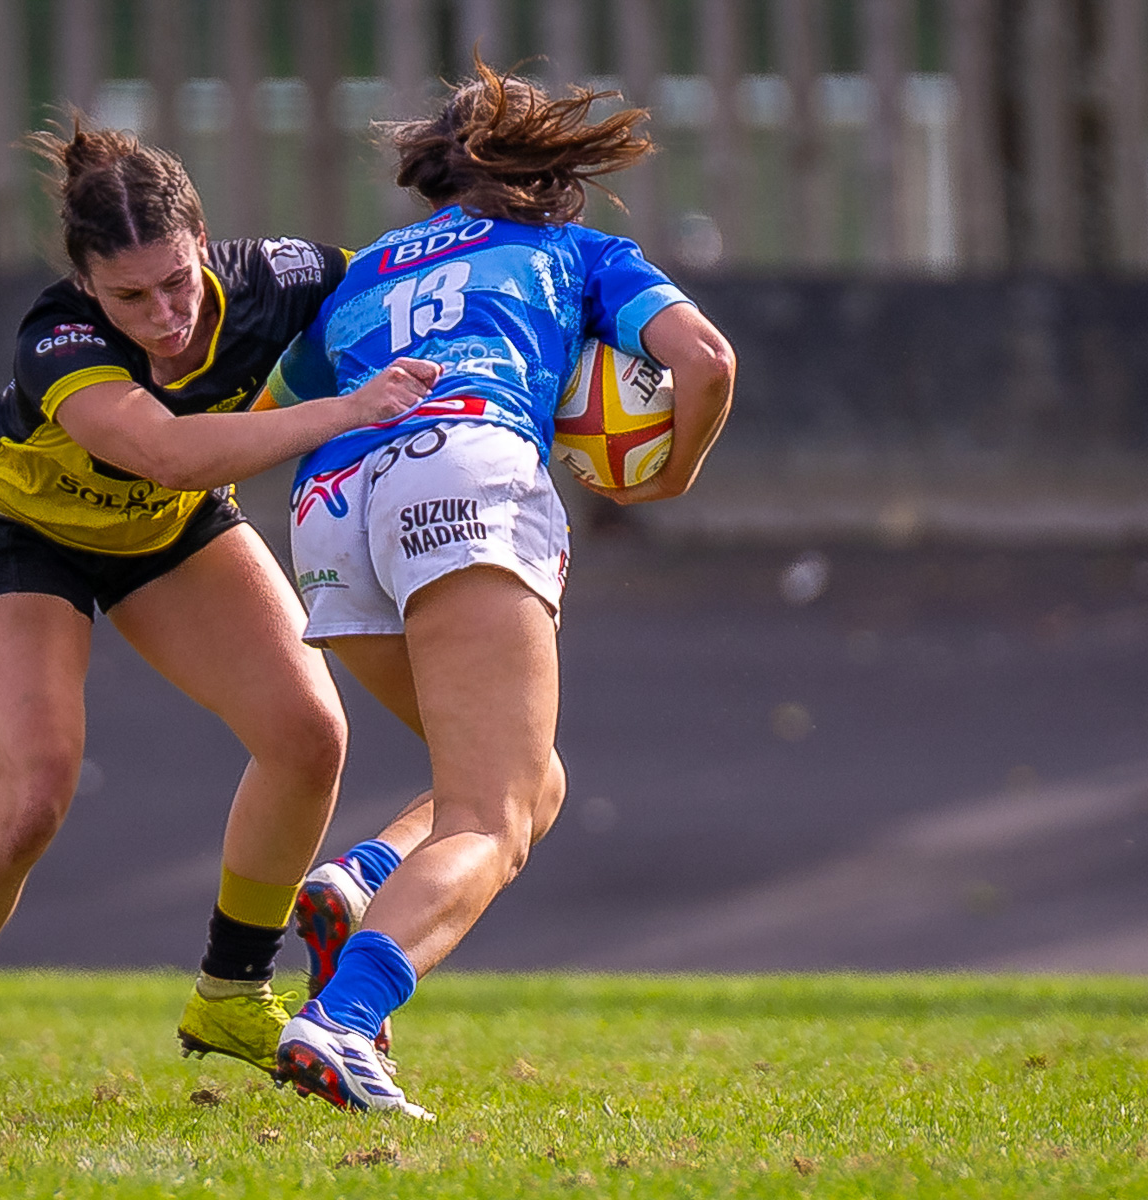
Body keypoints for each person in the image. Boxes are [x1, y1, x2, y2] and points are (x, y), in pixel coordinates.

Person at [0, 121, 441, 1118]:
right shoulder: (58, 339)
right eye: (129, 297)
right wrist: (346, 410)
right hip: (22, 529)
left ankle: (231, 996)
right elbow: (166, 453)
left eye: (176, 283)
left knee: (307, 736)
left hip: (166, 526)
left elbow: (407, 284)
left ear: (201, 240)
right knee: (32, 795)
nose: (162, 317)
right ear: (86, 283)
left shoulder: (280, 277)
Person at [263, 62, 736, 1118]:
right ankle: (342, 1021)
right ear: (553, 178)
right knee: (494, 816)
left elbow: (268, 404)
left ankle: (364, 878)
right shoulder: (577, 253)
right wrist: (670, 473)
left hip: (327, 510)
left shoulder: (365, 273)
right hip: (465, 470)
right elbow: (705, 360)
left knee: (529, 780)